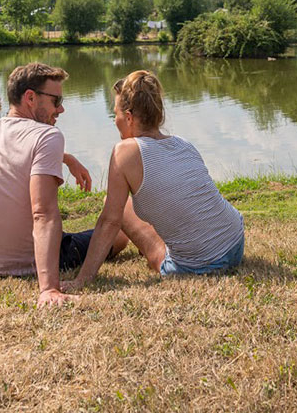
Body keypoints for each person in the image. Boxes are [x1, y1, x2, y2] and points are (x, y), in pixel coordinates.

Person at [0, 62, 129, 307]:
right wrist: (49, 288)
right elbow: (43, 214)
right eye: (56, 100)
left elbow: (14, 151)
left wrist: (66, 157)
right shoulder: (47, 136)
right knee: (119, 235)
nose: (61, 109)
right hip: (24, 262)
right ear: (30, 97)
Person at [62, 70, 245, 293]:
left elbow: (110, 221)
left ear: (129, 117)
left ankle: (157, 249)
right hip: (236, 241)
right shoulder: (182, 144)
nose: (115, 121)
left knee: (115, 208)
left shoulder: (125, 152)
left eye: (116, 115)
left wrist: (83, 279)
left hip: (201, 264)